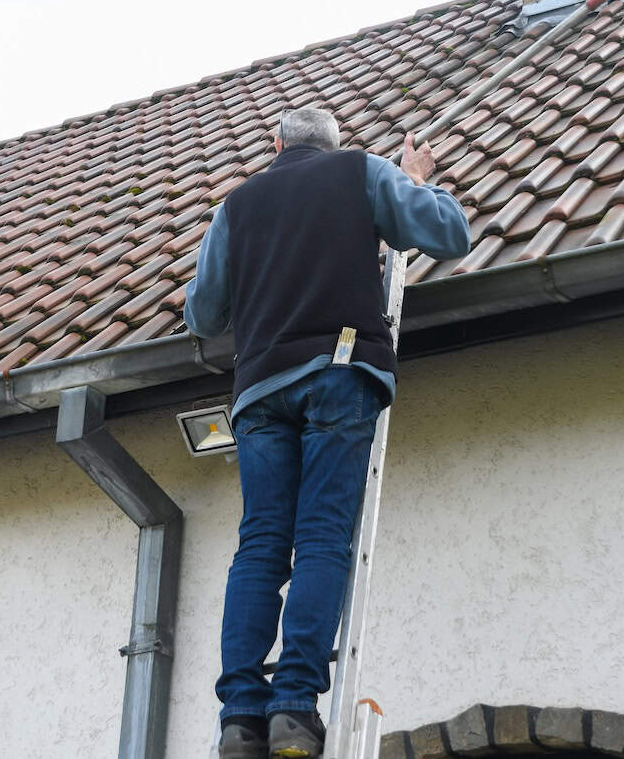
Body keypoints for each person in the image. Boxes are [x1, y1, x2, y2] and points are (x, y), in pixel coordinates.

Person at [185, 107, 470, 759]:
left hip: (259, 390)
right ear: (334, 145)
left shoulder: (237, 205)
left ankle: (240, 718)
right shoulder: (361, 171)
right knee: (320, 535)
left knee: (260, 545)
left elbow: (203, 313)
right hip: (340, 370)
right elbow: (447, 233)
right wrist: (415, 180)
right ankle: (293, 707)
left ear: (277, 143)